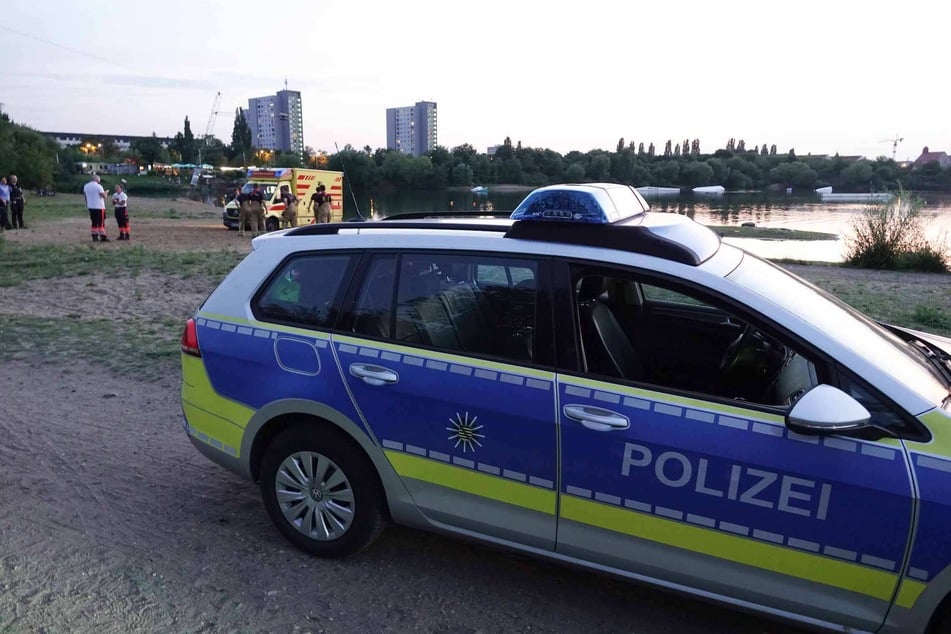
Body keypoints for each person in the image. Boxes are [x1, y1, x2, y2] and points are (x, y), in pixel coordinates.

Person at [83, 174, 109, 242]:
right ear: (97, 180)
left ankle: (94, 236)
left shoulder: (86, 186)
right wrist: (106, 193)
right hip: (99, 207)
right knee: (101, 222)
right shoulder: (99, 186)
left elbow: (85, 196)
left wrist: (88, 204)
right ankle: (103, 236)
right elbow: (103, 196)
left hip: (91, 207)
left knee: (94, 222)